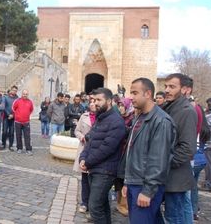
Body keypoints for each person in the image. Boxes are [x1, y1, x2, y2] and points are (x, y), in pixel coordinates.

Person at [121, 78, 176, 223]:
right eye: (130, 92)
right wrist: (127, 182)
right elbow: (132, 153)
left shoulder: (161, 121)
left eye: (135, 93)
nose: (130, 97)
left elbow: (158, 160)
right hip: (135, 182)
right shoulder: (139, 117)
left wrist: (148, 191)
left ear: (147, 94)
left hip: (145, 186)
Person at [79, 88, 126, 224]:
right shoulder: (101, 118)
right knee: (102, 205)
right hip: (95, 169)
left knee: (94, 207)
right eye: (94, 100)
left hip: (106, 171)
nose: (95, 103)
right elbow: (90, 141)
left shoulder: (116, 121)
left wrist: (87, 162)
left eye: (99, 100)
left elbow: (107, 148)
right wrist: (83, 158)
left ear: (109, 101)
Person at [162, 73, 197, 223]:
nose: (167, 90)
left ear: (184, 89)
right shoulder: (168, 108)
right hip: (167, 177)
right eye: (166, 86)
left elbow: (188, 149)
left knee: (175, 217)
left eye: (172, 86)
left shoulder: (186, 111)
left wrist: (163, 164)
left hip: (176, 178)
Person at [73, 100, 96, 213]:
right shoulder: (84, 116)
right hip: (85, 149)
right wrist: (82, 137)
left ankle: (93, 204)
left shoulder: (102, 117)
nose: (92, 104)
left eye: (94, 102)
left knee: (95, 179)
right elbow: (77, 131)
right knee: (85, 178)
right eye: (90, 102)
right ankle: (84, 202)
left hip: (97, 151)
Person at [12, 89, 34, 155]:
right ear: (22, 94)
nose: (25, 95)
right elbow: (13, 108)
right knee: (18, 135)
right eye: (24, 94)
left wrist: (26, 115)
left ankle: (28, 149)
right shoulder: (17, 101)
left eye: (26, 94)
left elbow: (31, 110)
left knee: (27, 136)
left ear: (28, 95)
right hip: (18, 121)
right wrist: (17, 115)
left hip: (26, 122)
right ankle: (19, 148)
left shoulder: (30, 102)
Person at [2, 86, 19, 151]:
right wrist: (9, 114)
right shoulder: (5, 97)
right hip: (6, 117)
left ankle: (10, 145)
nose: (14, 91)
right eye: (13, 90)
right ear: (11, 90)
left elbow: (17, 108)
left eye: (15, 90)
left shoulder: (17, 99)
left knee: (11, 132)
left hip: (13, 117)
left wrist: (13, 115)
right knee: (4, 131)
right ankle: (3, 144)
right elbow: (4, 107)